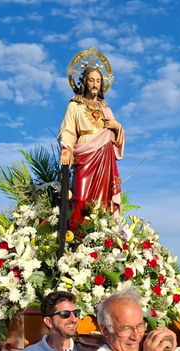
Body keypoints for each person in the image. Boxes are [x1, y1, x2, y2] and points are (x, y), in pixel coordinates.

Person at [59, 55, 125, 229]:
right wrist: (66, 149)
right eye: (91, 80)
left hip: (105, 154)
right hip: (85, 153)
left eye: (98, 80)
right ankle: (78, 236)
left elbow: (118, 135)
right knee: (80, 196)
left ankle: (101, 235)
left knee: (103, 200)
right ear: (84, 82)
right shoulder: (75, 105)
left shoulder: (106, 108)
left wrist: (117, 127)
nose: (95, 84)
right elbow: (68, 130)